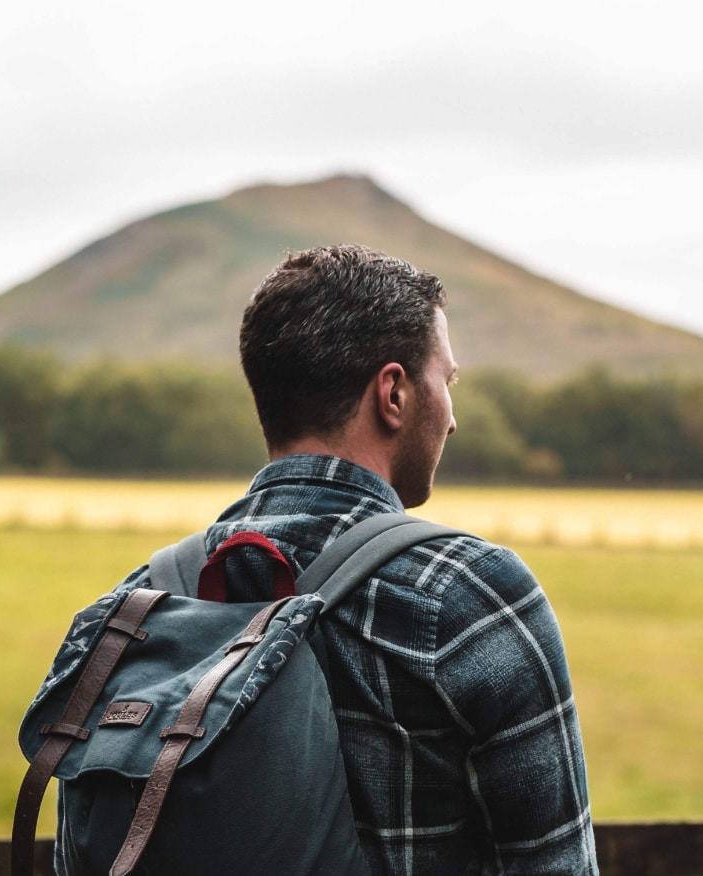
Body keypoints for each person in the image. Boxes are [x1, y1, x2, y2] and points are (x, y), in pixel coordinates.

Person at [124, 244, 598, 873]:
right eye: (447, 381)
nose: (452, 418)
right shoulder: (469, 593)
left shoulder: (144, 601)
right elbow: (556, 865)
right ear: (394, 393)